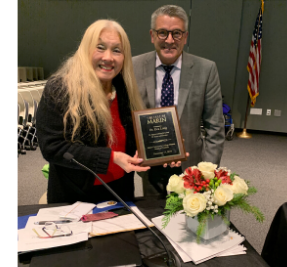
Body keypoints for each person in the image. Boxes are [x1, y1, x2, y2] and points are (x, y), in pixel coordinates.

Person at [36, 20, 150, 204]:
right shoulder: (60, 89)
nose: (108, 57)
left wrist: (161, 152)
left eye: (116, 50)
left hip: (120, 195)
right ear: (86, 50)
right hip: (75, 199)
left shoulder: (124, 90)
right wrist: (111, 158)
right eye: (100, 47)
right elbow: (53, 147)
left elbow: (132, 144)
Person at [133, 5, 224, 197]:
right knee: (154, 219)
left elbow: (215, 127)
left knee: (189, 223)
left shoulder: (206, 70)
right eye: (162, 33)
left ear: (185, 36)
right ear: (152, 35)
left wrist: (206, 171)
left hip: (191, 168)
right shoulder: (133, 66)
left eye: (176, 33)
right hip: (150, 166)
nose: (169, 40)